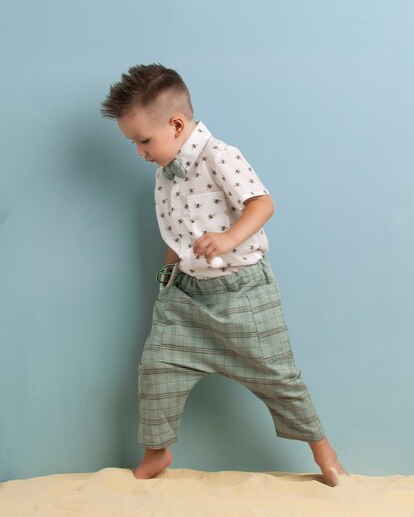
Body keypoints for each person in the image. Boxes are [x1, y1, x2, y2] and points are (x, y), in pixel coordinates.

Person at [101, 64, 348, 486]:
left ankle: (326, 454)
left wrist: (229, 237)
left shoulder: (221, 156)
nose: (139, 152)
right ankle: (156, 453)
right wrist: (167, 276)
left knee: (279, 376)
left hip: (242, 293)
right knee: (157, 367)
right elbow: (177, 234)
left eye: (143, 140)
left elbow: (263, 204)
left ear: (177, 124)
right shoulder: (164, 174)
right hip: (186, 296)